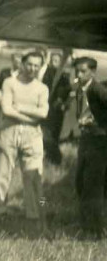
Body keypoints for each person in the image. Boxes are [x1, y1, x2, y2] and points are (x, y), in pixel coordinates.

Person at [0, 51, 49, 222]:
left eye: (37, 66)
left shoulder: (42, 88)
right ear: (22, 64)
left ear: (40, 67)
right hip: (9, 131)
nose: (32, 69)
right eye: (29, 64)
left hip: (33, 135)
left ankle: (35, 213)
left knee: (34, 175)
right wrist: (32, 117)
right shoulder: (10, 82)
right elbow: (6, 109)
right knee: (2, 173)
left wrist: (20, 107)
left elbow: (44, 113)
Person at [72, 57, 107, 238]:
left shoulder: (97, 89)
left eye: (83, 71)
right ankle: (88, 225)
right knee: (80, 182)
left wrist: (98, 124)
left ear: (93, 72)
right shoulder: (81, 89)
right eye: (77, 71)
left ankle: (95, 230)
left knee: (93, 185)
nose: (78, 75)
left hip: (98, 141)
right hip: (86, 140)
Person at [41, 51, 72, 165]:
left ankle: (53, 158)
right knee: (46, 133)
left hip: (57, 111)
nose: (55, 63)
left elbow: (67, 90)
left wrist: (60, 99)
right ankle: (54, 157)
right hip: (47, 108)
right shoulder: (46, 74)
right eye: (53, 60)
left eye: (57, 61)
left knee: (54, 134)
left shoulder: (64, 76)